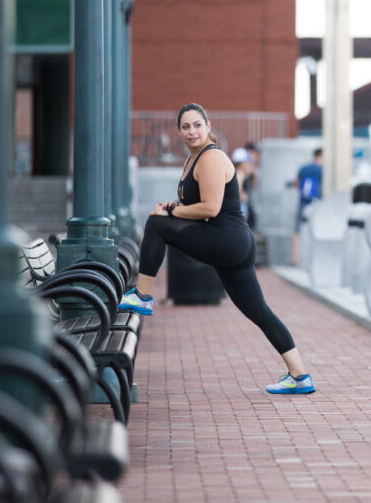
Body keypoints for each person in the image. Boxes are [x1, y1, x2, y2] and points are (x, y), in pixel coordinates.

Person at [119, 103, 314, 395]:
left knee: (157, 225)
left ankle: (143, 295)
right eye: (186, 126)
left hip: (227, 239)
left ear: (209, 126)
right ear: (179, 131)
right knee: (258, 311)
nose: (192, 131)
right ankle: (300, 376)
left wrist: (169, 214)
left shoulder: (210, 158)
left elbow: (211, 207)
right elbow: (198, 205)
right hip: (231, 242)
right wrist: (175, 208)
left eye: (198, 125)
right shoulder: (192, 159)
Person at [292, 148, 323, 265]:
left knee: (298, 230)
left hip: (303, 202)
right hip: (317, 203)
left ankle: (295, 258)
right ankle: (313, 259)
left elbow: (297, 183)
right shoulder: (322, 170)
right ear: (321, 156)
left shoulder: (304, 168)